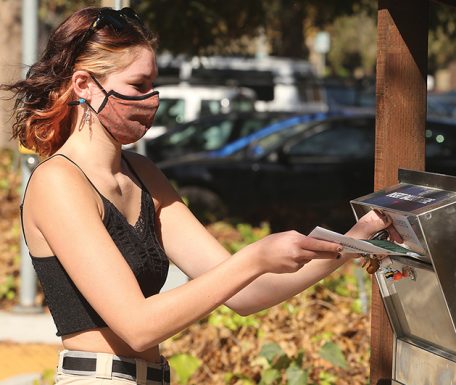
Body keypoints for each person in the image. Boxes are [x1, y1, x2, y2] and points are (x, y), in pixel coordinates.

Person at [1, 7, 400, 384]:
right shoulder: (59, 182)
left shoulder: (143, 175)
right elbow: (138, 326)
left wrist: (355, 239)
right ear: (85, 86)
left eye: (153, 85)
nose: (152, 99)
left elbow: (246, 294)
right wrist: (255, 257)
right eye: (138, 85)